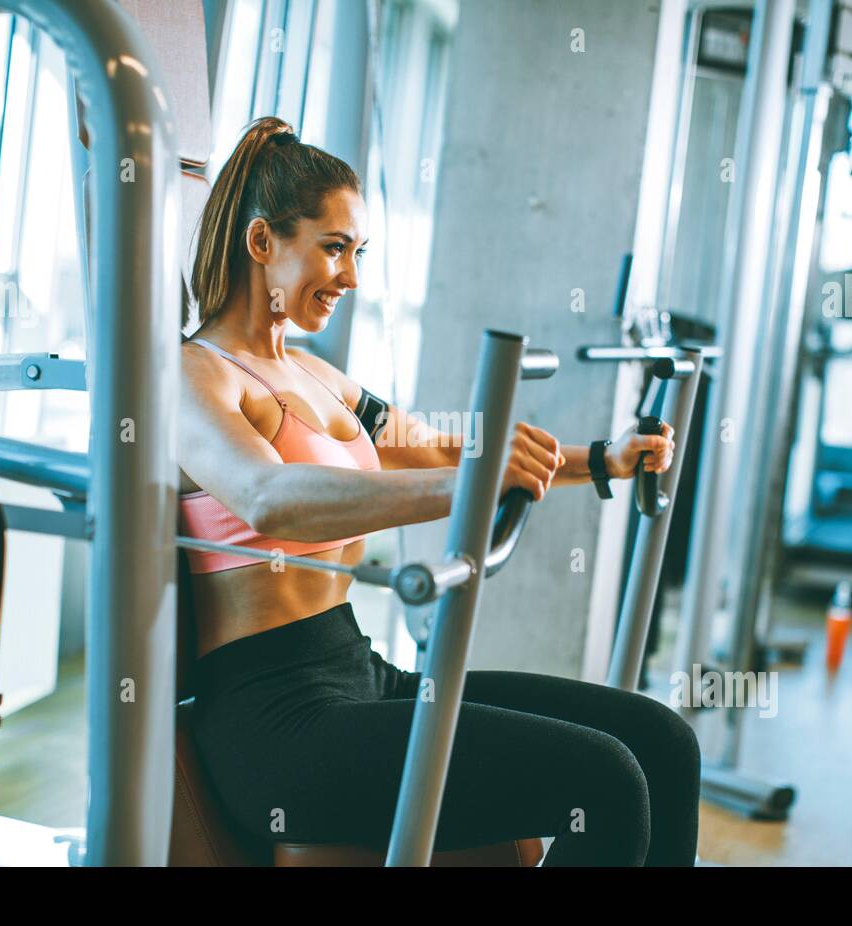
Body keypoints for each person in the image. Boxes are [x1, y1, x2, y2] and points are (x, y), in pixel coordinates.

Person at [177, 116, 699, 866]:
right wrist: (464, 491)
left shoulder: (316, 374)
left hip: (360, 675)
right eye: (333, 248)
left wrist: (603, 461)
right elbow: (269, 496)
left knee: (661, 742)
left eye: (357, 253)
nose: (352, 277)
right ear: (262, 243)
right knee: (605, 782)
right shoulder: (196, 374)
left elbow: (436, 447)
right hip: (278, 723)